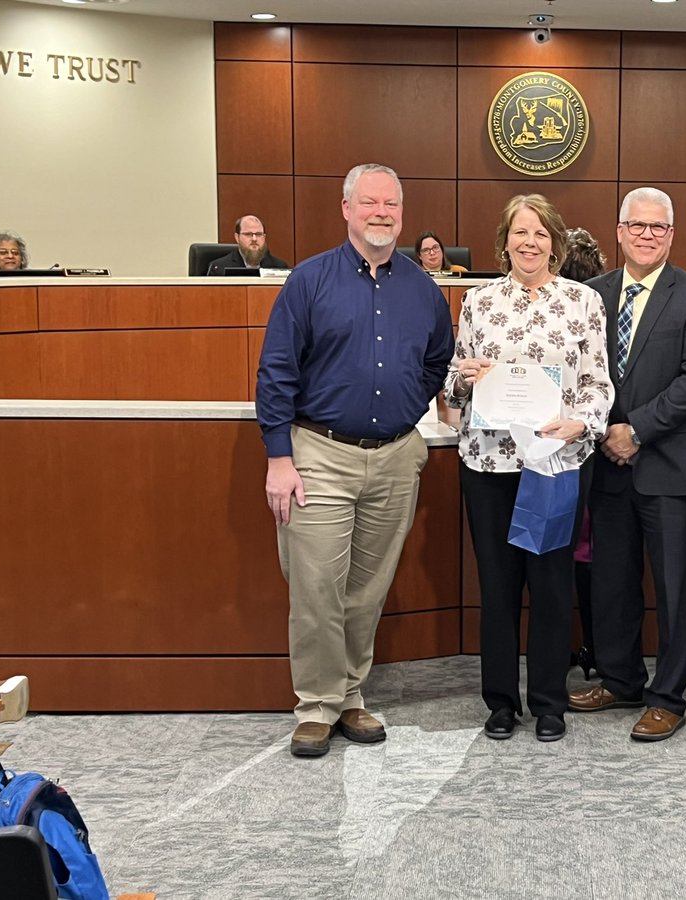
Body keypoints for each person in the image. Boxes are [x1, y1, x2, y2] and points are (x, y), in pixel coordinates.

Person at [256, 163, 454, 758]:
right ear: (346, 208)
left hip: (394, 458)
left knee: (367, 590)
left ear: (402, 212)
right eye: (369, 202)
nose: (381, 213)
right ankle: (316, 705)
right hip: (319, 455)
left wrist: (405, 408)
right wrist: (279, 457)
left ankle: (349, 695)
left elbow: (437, 362)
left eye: (391, 204)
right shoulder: (309, 281)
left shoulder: (423, 289)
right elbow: (276, 371)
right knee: (317, 586)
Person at [445, 194, 612, 744]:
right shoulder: (478, 300)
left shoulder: (584, 302)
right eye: (520, 232)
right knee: (497, 586)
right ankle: (500, 702)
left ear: (555, 243)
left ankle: (548, 702)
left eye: (541, 233)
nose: (530, 242)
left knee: (551, 585)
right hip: (488, 463)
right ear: (505, 241)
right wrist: (464, 379)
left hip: (554, 465)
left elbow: (598, 382)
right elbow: (453, 383)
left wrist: (582, 422)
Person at [567, 188, 686, 742]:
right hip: (606, 465)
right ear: (619, 231)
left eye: (658, 227)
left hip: (666, 465)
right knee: (611, 581)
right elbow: (580, 370)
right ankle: (621, 679)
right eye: (637, 225)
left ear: (671, 235)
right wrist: (605, 431)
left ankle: (668, 697)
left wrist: (635, 430)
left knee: (673, 587)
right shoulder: (591, 294)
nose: (647, 235)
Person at [557, 226, 608, 677]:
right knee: (586, 551)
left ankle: (584, 645)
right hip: (592, 447)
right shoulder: (597, 300)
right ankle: (592, 645)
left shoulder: (583, 305)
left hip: (574, 445)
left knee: (573, 551)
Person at [207, 215, 289, 274]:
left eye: (258, 234)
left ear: (264, 237)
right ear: (237, 237)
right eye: (248, 234)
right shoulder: (219, 268)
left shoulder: (280, 267)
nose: (254, 239)